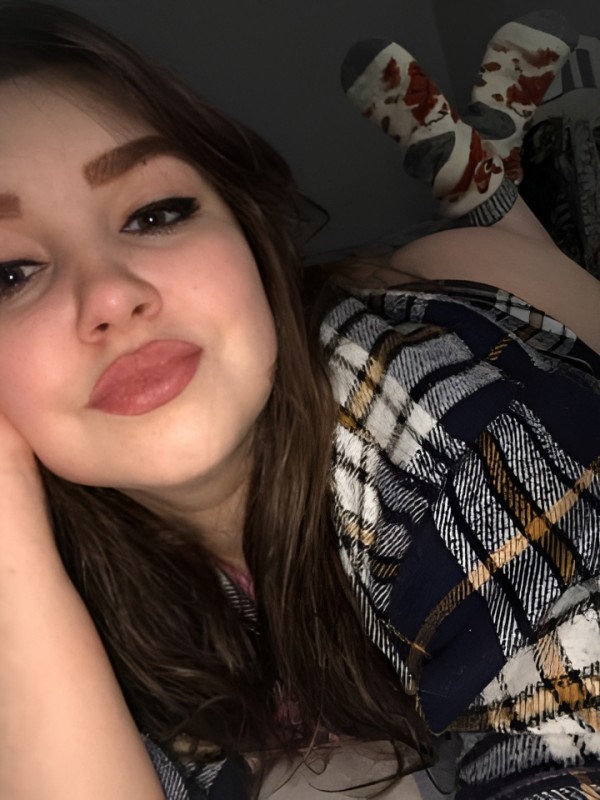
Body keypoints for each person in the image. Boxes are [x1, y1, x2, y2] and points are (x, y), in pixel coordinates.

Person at [0, 3, 597, 799]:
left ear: (250, 232)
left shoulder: (436, 421)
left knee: (485, 250)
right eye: (9, 273)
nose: (111, 294)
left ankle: (488, 191)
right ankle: (479, 174)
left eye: (154, 213)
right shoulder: (56, 547)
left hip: (500, 303)